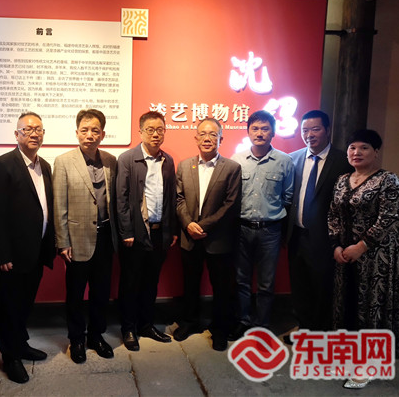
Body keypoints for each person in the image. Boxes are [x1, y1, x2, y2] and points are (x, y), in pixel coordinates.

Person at [328, 129, 399, 389]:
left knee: (372, 306)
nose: (357, 152)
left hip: (377, 255)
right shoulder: (342, 180)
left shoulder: (388, 180)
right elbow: (333, 214)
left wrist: (362, 246)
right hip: (345, 255)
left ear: (376, 152)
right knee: (347, 304)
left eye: (364, 148)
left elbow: (388, 217)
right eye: (352, 147)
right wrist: (337, 246)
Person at [0, 112, 56, 384]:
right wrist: (1, 253)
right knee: (9, 307)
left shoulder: (44, 166)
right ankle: (11, 357)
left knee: (25, 303)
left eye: (38, 129)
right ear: (16, 135)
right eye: (27, 129)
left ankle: (21, 344)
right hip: (11, 256)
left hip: (35, 251)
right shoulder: (2, 165)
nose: (34, 134)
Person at [53, 109, 118, 364]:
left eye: (95, 130)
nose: (89, 135)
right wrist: (62, 242)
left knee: (101, 292)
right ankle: (77, 339)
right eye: (84, 130)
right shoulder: (64, 161)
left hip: (105, 237)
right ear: (77, 132)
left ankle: (96, 336)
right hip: (77, 238)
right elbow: (59, 205)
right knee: (76, 293)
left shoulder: (111, 161)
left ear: (103, 134)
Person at [175, 118, 241, 351]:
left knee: (222, 287)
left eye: (213, 134)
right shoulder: (184, 166)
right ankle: (189, 322)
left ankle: (220, 329)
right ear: (196, 138)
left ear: (221, 139)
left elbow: (230, 205)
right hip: (189, 236)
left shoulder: (232, 168)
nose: (207, 138)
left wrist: (203, 226)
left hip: (218, 239)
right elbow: (179, 199)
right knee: (190, 283)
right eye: (203, 134)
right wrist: (188, 224)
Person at [286, 110, 352, 338]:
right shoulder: (292, 159)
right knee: (299, 285)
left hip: (325, 238)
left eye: (315, 129)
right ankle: (303, 328)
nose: (309, 135)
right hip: (296, 235)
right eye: (305, 130)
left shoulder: (342, 161)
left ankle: (320, 333)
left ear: (327, 130)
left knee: (322, 286)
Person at [229, 110, 294, 339]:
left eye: (265, 128)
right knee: (241, 280)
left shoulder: (285, 162)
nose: (259, 133)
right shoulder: (237, 160)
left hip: (270, 230)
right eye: (255, 128)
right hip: (242, 228)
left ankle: (262, 325)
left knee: (266, 283)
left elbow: (288, 197)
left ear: (273, 132)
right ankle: (243, 321)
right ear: (248, 132)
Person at [116, 110, 177, 351]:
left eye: (160, 130)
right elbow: (121, 199)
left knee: (151, 282)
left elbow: (171, 198)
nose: (155, 134)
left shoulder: (168, 160)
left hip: (159, 232)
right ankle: (128, 328)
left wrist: (171, 230)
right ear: (140, 132)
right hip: (135, 233)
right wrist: (126, 232)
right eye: (150, 130)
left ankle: (146, 325)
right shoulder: (127, 159)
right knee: (130, 282)